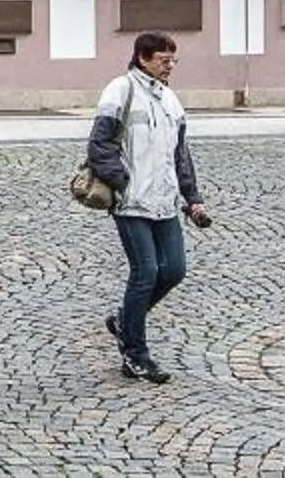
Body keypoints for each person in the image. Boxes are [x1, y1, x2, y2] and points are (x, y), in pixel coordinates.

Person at [84, 31, 212, 383]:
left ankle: (124, 321)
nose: (170, 66)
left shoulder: (171, 100)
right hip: (132, 203)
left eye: (173, 60)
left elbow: (180, 155)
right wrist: (122, 182)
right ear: (143, 58)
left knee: (174, 270)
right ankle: (136, 354)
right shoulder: (120, 91)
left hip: (166, 201)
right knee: (146, 273)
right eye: (163, 59)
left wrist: (193, 197)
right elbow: (99, 145)